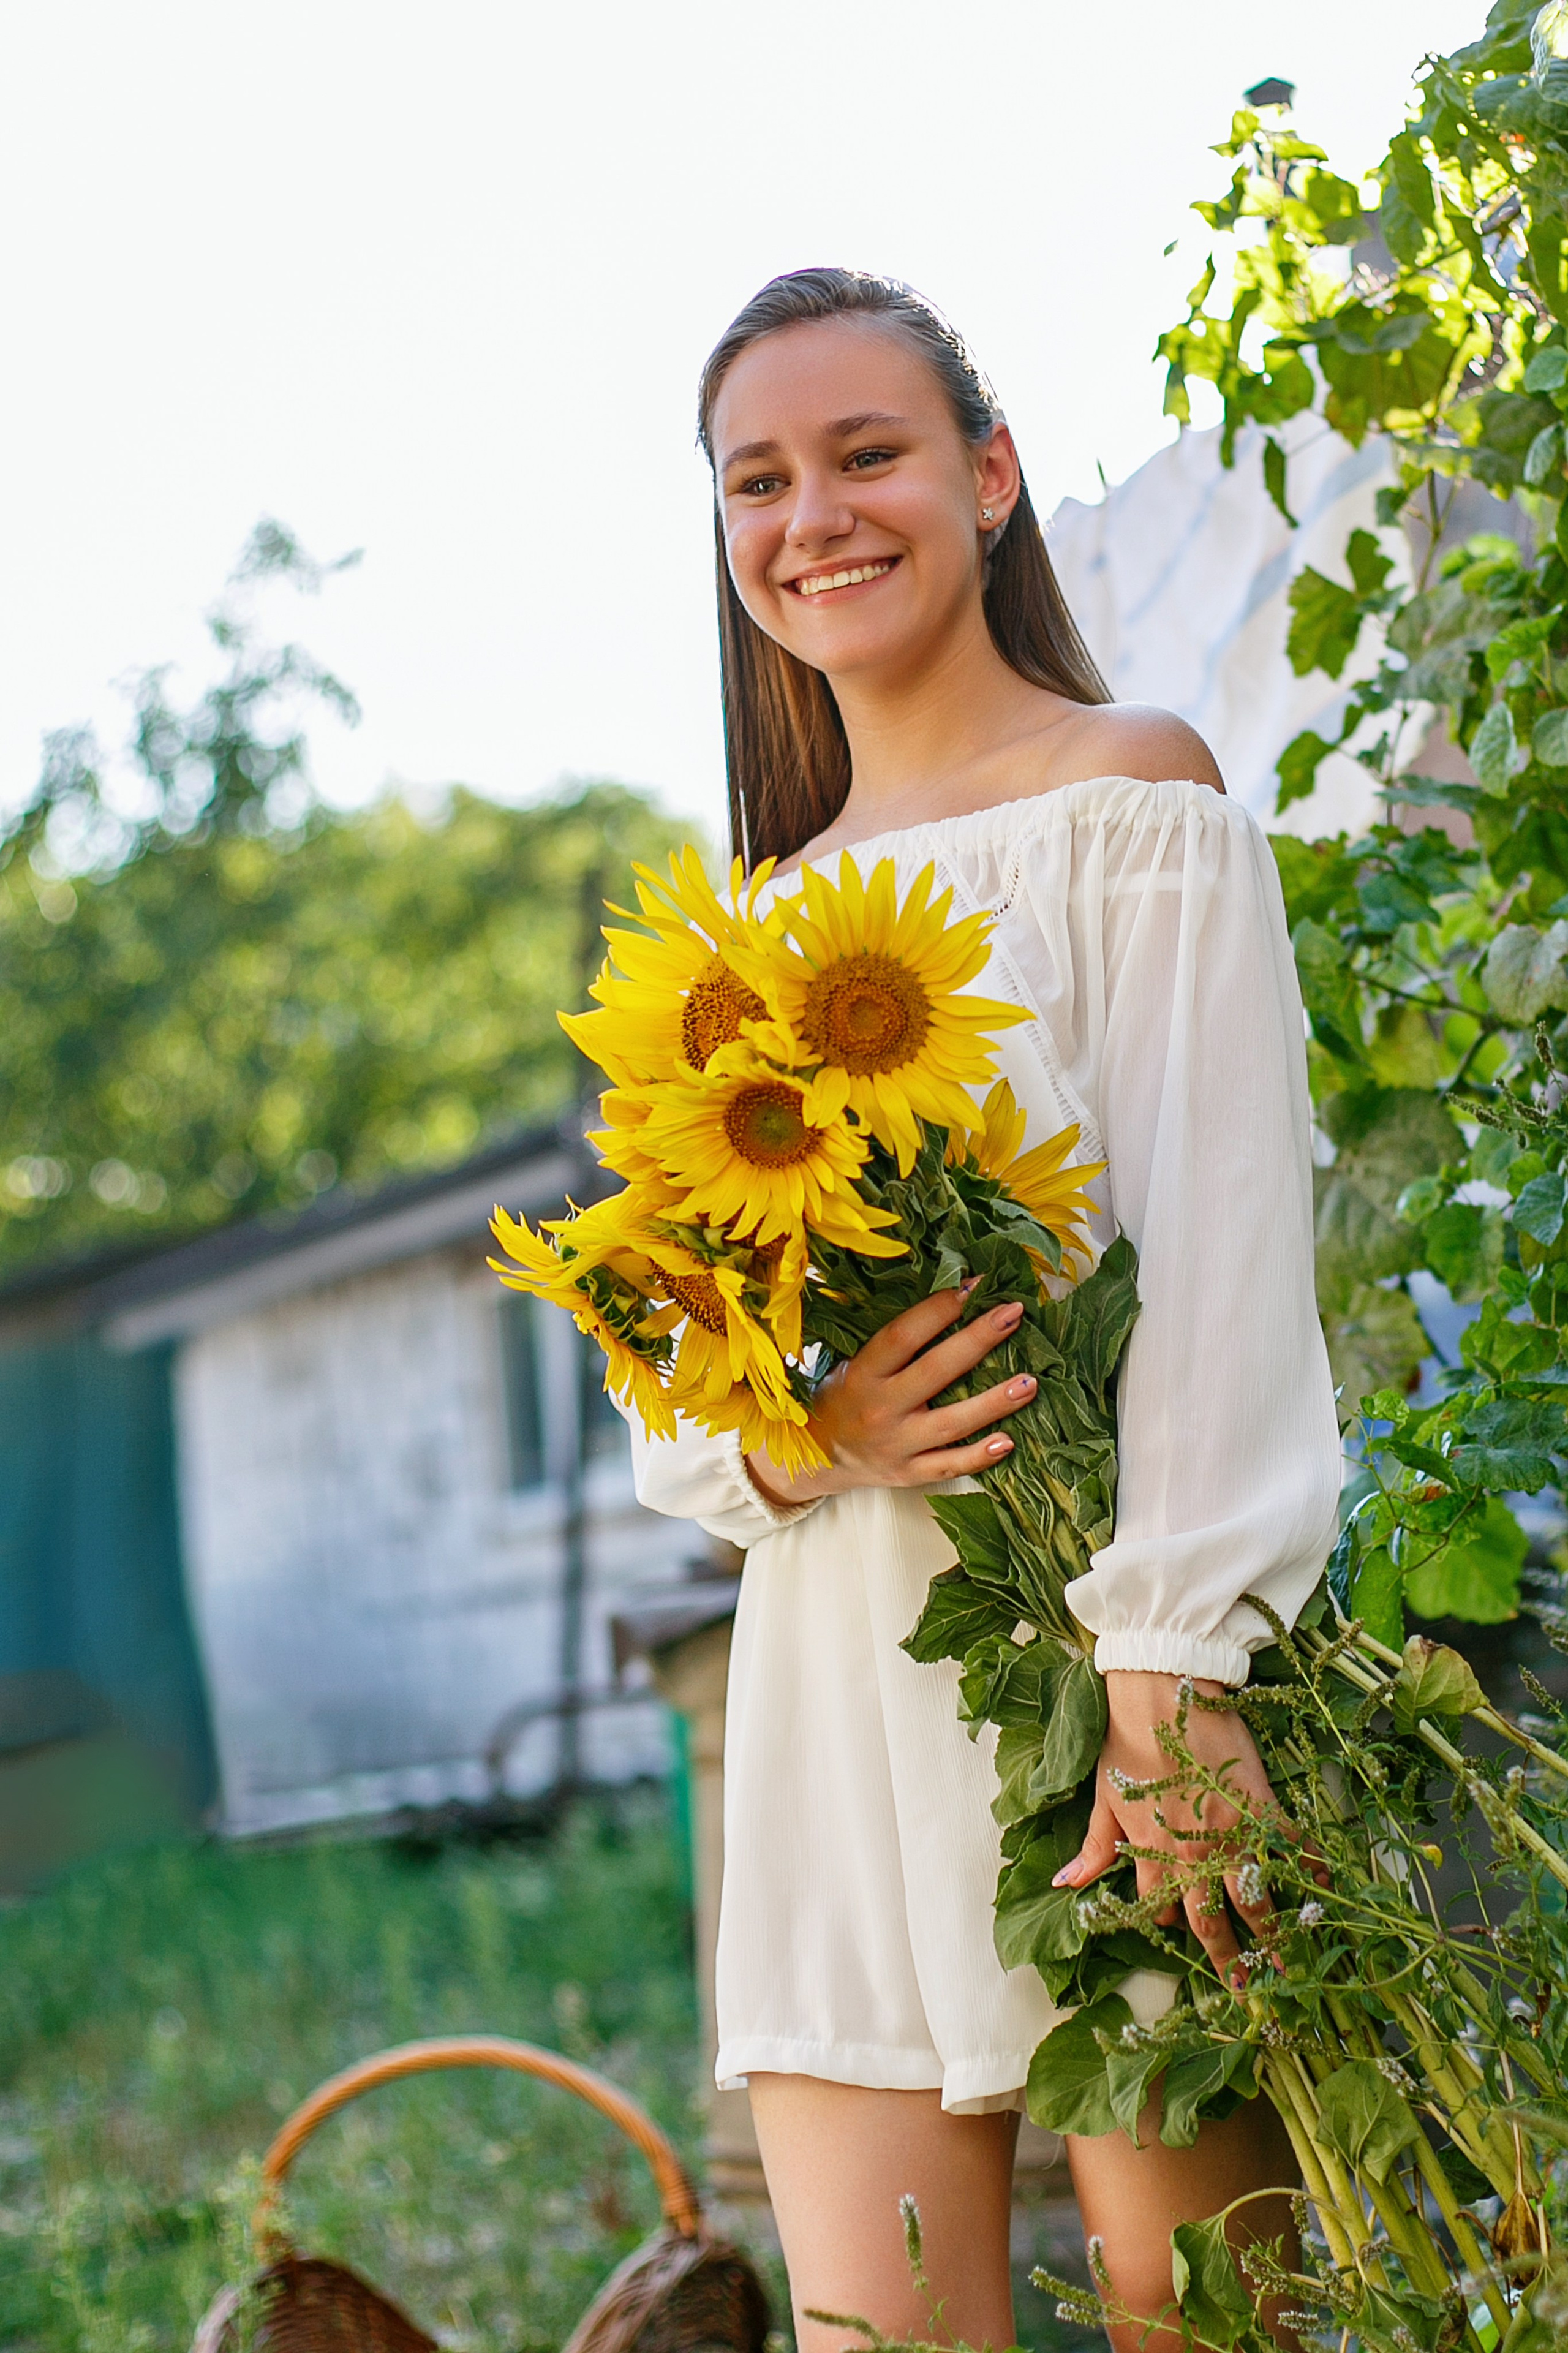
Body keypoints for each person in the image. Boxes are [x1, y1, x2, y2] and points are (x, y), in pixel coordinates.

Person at [628, 267, 1341, 2353]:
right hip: (844, 1679)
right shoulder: (749, 926)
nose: (813, 515)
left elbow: (1221, 1261)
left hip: (1108, 1669)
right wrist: (805, 1434)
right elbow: (680, 1368)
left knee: (1196, 2310)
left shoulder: (1136, 797)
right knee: (883, 2331)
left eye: (867, 454)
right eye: (759, 479)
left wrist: (1179, 1669)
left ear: (991, 476)